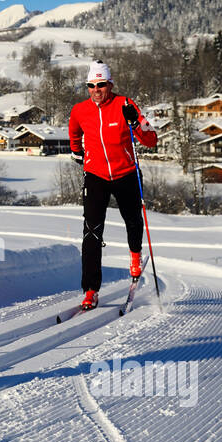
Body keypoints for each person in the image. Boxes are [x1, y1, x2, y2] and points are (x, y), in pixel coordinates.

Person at [66, 61, 158, 310]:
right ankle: (91, 290)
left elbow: (151, 139)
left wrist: (136, 124)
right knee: (92, 232)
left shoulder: (125, 105)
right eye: (91, 85)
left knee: (133, 219)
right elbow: (74, 132)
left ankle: (136, 256)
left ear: (110, 84)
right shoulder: (79, 110)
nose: (96, 90)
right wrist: (77, 152)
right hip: (95, 175)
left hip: (125, 172)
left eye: (101, 85)